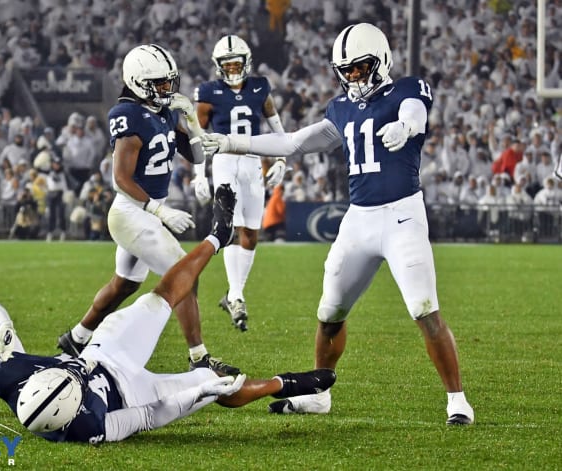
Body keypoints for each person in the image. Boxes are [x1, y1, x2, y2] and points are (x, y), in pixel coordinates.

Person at [202, 23, 474, 425]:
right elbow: (293, 142)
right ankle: (319, 394)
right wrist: (231, 142)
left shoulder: (407, 90)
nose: (353, 77)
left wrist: (407, 126)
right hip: (359, 219)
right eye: (345, 70)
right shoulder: (341, 108)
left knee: (424, 308)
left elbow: (414, 113)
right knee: (329, 311)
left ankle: (457, 400)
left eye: (360, 68)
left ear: (380, 62)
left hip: (402, 216)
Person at [0, 185, 336, 442]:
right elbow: (151, 414)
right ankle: (284, 384)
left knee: (162, 295)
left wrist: (2, 333)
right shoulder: (92, 427)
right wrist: (199, 393)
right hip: (134, 394)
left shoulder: (11, 377)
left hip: (104, 352)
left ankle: (216, 236)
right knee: (215, 387)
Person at [57, 44, 238, 376]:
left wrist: (191, 123)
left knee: (125, 283)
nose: (167, 90)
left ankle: (77, 337)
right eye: (159, 84)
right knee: (183, 273)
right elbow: (121, 178)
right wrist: (160, 211)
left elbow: (197, 157)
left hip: (145, 212)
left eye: (170, 82)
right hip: (131, 210)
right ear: (138, 82)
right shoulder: (126, 115)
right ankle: (199, 359)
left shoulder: (164, 112)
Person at [193, 35, 287, 331]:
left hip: (252, 161)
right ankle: (236, 296)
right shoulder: (208, 92)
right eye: (227, 64)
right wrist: (199, 174)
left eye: (236, 63)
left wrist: (282, 159)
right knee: (229, 226)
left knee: (251, 233)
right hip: (223, 161)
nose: (232, 69)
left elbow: (276, 125)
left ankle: (234, 294)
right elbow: (198, 137)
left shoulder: (260, 87)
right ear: (218, 66)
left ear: (246, 63)